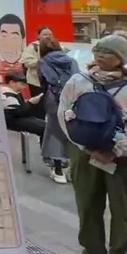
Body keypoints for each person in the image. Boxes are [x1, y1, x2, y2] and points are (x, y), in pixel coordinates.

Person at [56, 33, 127, 254]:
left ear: (122, 59)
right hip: (85, 153)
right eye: (98, 50)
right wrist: (86, 147)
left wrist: (116, 148)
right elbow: (64, 113)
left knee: (125, 210)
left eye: (109, 53)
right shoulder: (79, 81)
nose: (101, 55)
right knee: (87, 204)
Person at [38, 36, 77, 183]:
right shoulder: (71, 61)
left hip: (54, 100)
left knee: (54, 132)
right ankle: (72, 170)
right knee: (72, 132)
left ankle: (58, 170)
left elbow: (45, 82)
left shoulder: (43, 62)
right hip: (73, 99)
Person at [1, 72, 45, 137]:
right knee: (43, 127)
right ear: (12, 82)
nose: (23, 87)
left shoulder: (15, 93)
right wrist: (30, 103)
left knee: (44, 125)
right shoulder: (7, 94)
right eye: (22, 84)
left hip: (18, 118)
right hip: (13, 120)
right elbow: (17, 112)